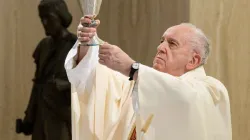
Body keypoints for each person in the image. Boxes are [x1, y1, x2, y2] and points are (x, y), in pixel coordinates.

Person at [65, 16, 232, 140]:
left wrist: (132, 68)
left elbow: (185, 99)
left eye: (172, 43)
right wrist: (87, 44)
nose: (160, 47)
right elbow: (94, 81)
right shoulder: (139, 87)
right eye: (161, 41)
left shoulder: (211, 91)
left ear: (193, 60)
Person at [16, 0, 77, 140]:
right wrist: (29, 119)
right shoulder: (43, 47)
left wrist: (65, 85)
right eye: (41, 18)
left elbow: (89, 85)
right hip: (41, 118)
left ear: (60, 17)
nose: (44, 22)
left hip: (62, 119)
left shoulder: (76, 46)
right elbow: (37, 86)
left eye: (48, 17)